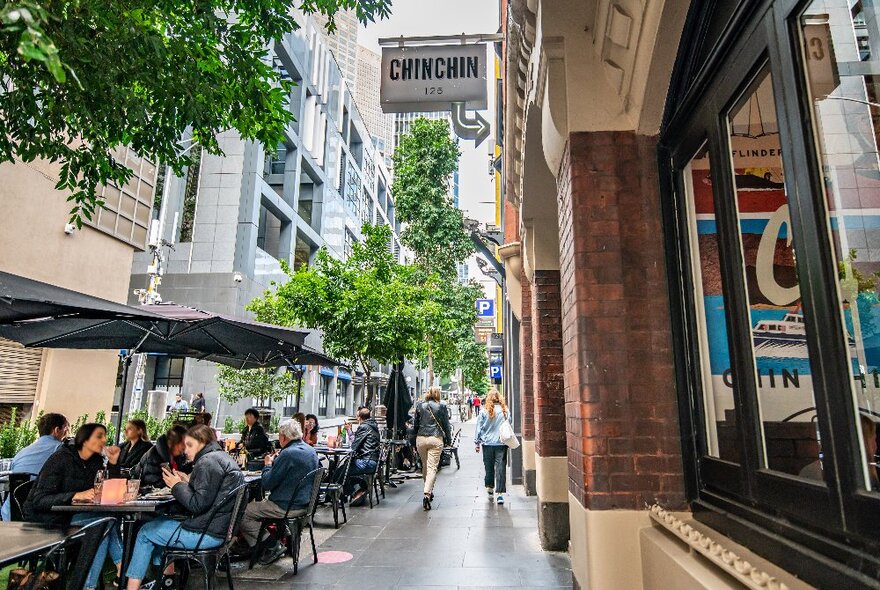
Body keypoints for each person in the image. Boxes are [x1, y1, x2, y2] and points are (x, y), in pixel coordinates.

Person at [125, 425, 244, 590]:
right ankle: (168, 581)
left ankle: (132, 587)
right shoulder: (221, 458)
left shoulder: (207, 462)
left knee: (145, 532)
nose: (185, 450)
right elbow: (210, 494)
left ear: (201, 442)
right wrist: (187, 482)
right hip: (219, 531)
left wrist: (176, 486)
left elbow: (196, 505)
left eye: (189, 445)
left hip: (206, 534)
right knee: (159, 523)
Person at [24, 423, 123, 589]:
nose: (105, 440)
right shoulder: (61, 459)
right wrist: (75, 495)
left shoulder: (95, 462)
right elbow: (39, 499)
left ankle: (101, 580)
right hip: (48, 520)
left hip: (75, 515)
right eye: (99, 436)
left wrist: (113, 464)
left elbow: (107, 490)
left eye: (105, 436)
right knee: (101, 524)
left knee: (105, 521)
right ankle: (116, 573)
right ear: (84, 440)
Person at [235, 419, 319, 564]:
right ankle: (280, 536)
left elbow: (267, 484)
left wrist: (268, 465)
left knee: (242, 512)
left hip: (286, 505)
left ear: (284, 437)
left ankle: (271, 545)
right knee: (257, 507)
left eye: (280, 435)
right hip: (306, 503)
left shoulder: (288, 454)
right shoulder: (310, 450)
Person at [1, 412, 68, 520]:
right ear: (56, 430)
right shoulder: (62, 450)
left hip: (10, 514)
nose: (67, 434)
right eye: (66, 429)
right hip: (43, 516)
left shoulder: (21, 453)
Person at [413, 386, 451, 511]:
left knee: (425, 466)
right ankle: (427, 493)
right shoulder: (442, 406)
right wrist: (448, 441)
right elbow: (446, 425)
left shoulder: (420, 406)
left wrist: (414, 440)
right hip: (435, 438)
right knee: (432, 467)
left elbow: (415, 425)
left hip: (421, 439)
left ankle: (427, 489)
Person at [475, 388, 510, 505]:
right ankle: (499, 494)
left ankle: (490, 487)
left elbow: (479, 428)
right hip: (501, 443)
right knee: (500, 468)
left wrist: (477, 443)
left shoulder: (484, 411)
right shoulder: (505, 410)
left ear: (488, 398)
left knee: (488, 466)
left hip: (487, 444)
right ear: (499, 398)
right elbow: (509, 424)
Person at [339, 407, 380, 505]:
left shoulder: (364, 427)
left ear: (359, 417)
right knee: (346, 465)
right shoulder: (373, 426)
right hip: (372, 461)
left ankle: (344, 494)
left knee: (341, 471)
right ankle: (356, 490)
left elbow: (354, 446)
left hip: (367, 462)